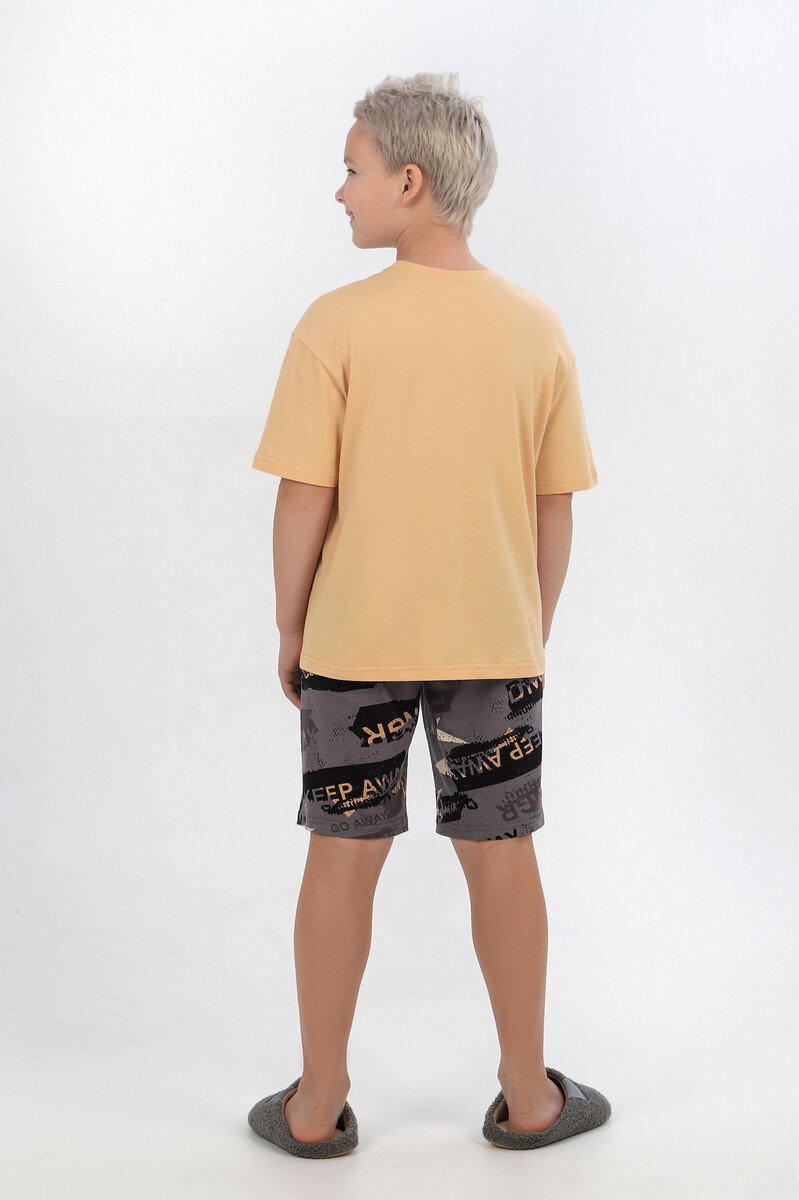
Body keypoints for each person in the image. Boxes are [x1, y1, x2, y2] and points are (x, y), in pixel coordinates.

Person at [246, 71, 611, 1158]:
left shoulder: (337, 324)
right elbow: (555, 504)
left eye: (352, 169)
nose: (339, 191)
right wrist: (527, 626)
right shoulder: (536, 329)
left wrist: (291, 626)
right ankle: (528, 1097)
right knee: (502, 855)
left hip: (354, 644)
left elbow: (304, 494)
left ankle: (316, 1106)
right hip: (492, 645)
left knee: (339, 854)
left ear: (408, 181)